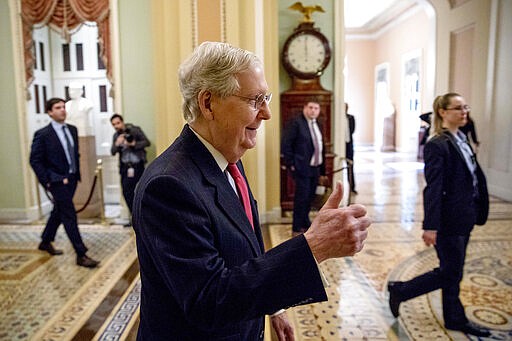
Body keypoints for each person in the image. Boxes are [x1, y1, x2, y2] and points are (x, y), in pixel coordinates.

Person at [132, 42, 371, 341]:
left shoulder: (227, 159)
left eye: (266, 98)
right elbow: (209, 300)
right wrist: (314, 246)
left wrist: (275, 307)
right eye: (256, 99)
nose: (268, 113)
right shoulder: (168, 187)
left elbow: (244, 249)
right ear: (208, 103)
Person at [387, 93, 490, 337]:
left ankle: (454, 318)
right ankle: (402, 290)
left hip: (465, 215)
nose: (464, 112)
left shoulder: (462, 137)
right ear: (443, 112)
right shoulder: (437, 144)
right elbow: (433, 188)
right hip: (448, 219)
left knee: (453, 269)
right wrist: (430, 226)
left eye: (465, 107)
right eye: (458, 108)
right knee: (451, 271)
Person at [30, 98, 100, 268]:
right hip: (56, 181)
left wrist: (74, 173)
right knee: (69, 214)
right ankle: (81, 254)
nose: (62, 110)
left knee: (59, 211)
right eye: (58, 107)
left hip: (72, 178)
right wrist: (47, 180)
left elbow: (73, 154)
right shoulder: (43, 134)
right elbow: (35, 160)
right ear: (50, 112)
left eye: (63, 107)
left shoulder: (72, 129)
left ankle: (45, 241)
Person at [281, 99, 328, 236]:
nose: (313, 110)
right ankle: (296, 227)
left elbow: (321, 147)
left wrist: (323, 170)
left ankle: (305, 221)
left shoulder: (317, 123)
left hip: (315, 168)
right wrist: (292, 164)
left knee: (310, 197)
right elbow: (286, 144)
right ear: (305, 108)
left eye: (316, 108)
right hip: (301, 168)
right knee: (301, 198)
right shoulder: (296, 123)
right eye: (311, 107)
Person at [110, 114, 150, 216]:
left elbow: (146, 142)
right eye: (114, 124)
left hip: (137, 165)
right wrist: (117, 144)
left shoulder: (134, 130)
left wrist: (133, 144)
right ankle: (135, 215)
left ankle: (142, 216)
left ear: (122, 122)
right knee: (127, 192)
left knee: (142, 191)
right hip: (125, 167)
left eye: (118, 123)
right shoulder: (116, 136)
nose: (116, 126)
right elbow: (113, 152)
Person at [345, 102, 357, 194]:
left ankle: (352, 187)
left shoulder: (351, 117)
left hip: (349, 144)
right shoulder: (338, 118)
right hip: (341, 145)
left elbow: (352, 130)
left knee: (351, 165)